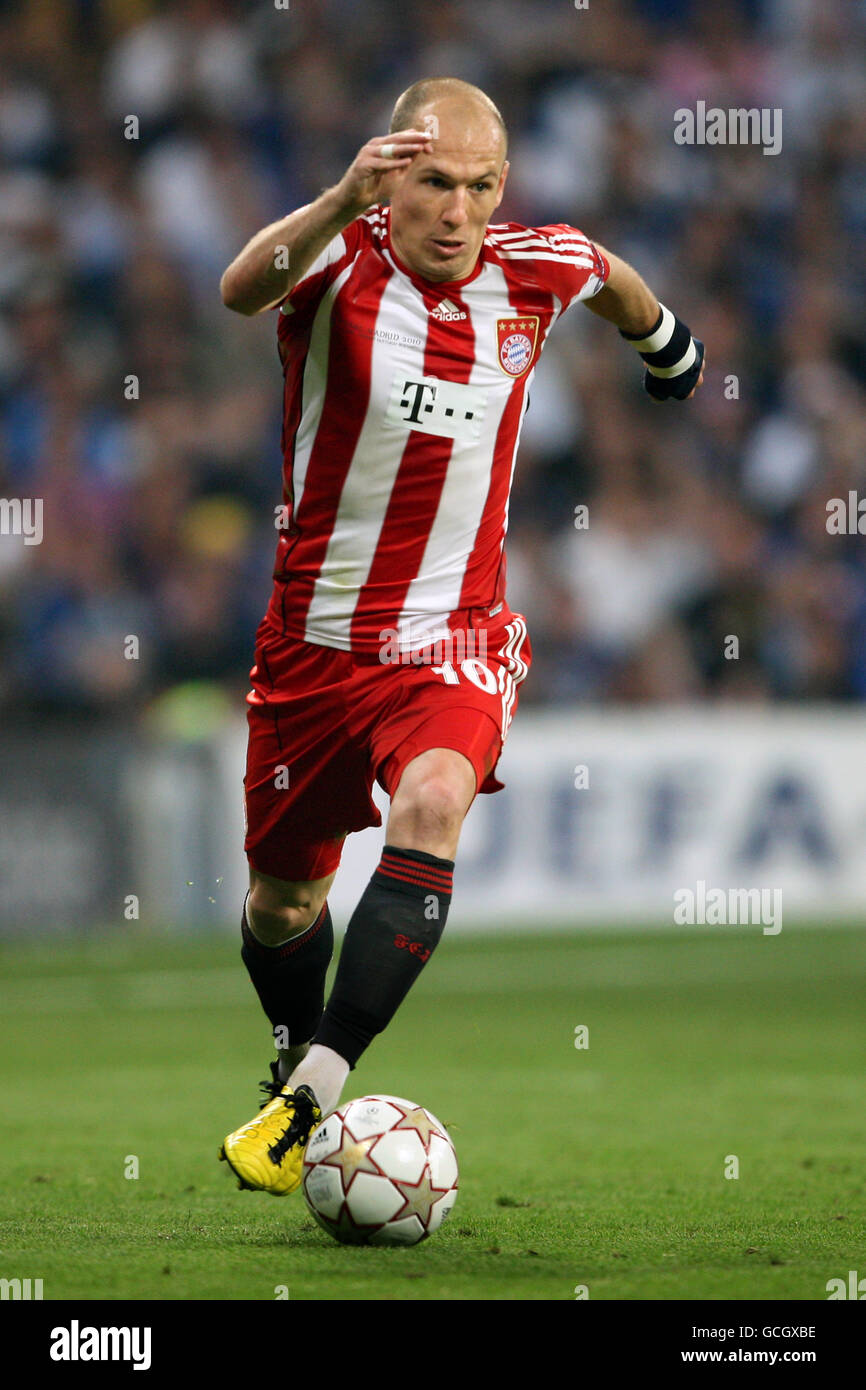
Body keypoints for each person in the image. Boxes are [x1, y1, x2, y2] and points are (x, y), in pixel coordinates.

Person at [217, 77, 705, 1196]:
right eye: (432, 181)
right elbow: (242, 288)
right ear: (394, 174)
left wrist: (667, 346)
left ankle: (312, 1094)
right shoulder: (339, 256)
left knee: (433, 801)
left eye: (479, 186)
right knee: (283, 902)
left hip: (453, 639)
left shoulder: (538, 265)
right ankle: (295, 1043)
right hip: (312, 649)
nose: (456, 208)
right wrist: (342, 199)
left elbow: (612, 279)